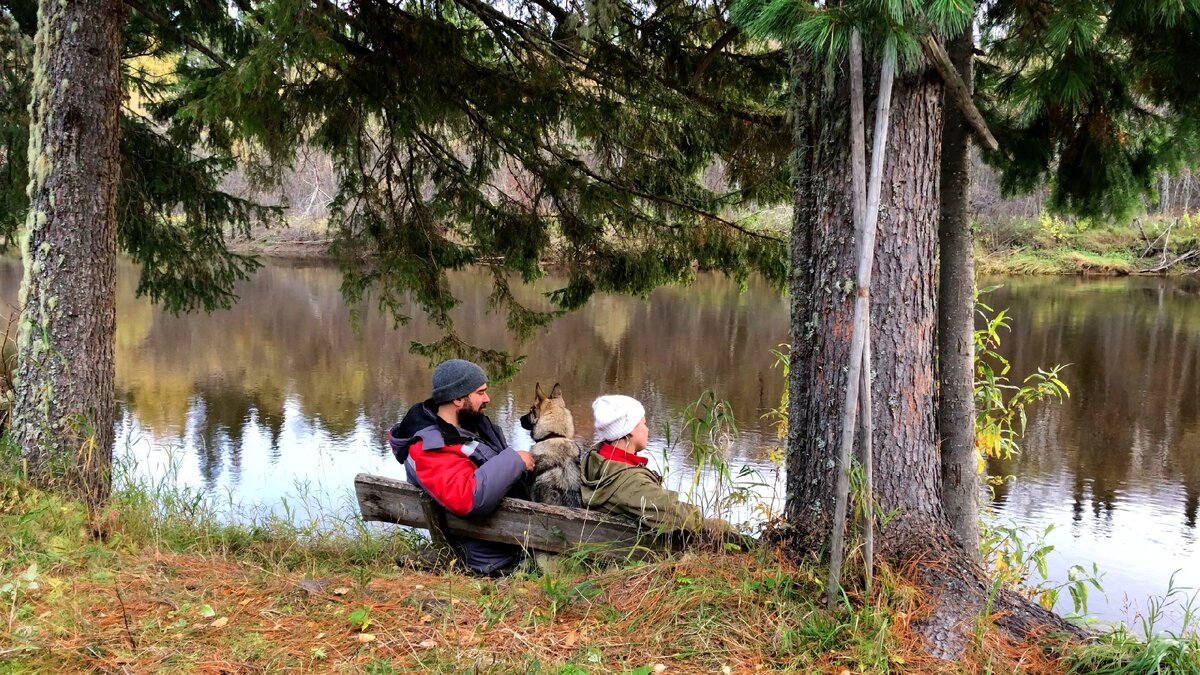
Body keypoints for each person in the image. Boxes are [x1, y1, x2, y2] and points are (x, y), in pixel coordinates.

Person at [388, 359, 535, 576]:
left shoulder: (466, 426)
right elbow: (467, 497)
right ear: (458, 398)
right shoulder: (429, 448)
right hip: (492, 558)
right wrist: (515, 460)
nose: (487, 398)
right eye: (480, 392)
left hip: (508, 537)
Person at [581, 394, 734, 541]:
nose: (647, 429)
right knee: (722, 527)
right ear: (630, 429)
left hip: (613, 535)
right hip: (634, 549)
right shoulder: (631, 483)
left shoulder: (595, 458)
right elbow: (681, 517)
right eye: (643, 423)